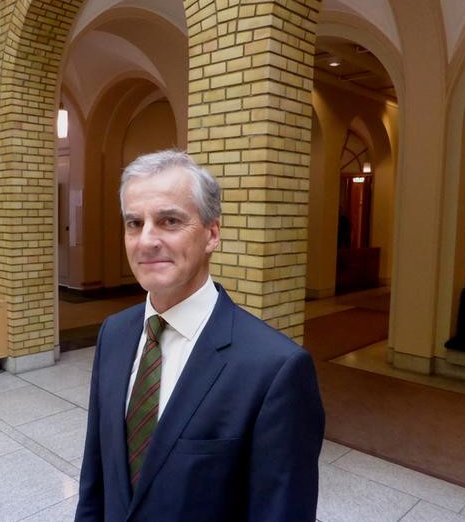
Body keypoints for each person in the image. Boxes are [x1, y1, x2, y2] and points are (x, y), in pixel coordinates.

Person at [75, 150, 325, 522]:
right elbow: (96, 477)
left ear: (212, 233)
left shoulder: (276, 369)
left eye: (169, 221)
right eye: (134, 223)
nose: (146, 241)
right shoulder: (114, 333)